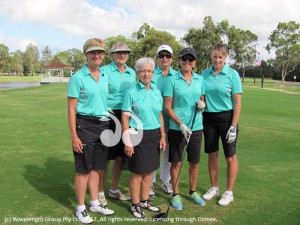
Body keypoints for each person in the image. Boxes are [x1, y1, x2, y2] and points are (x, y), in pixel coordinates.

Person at [67, 38, 114, 224]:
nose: (97, 55)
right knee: (83, 169)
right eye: (93, 52)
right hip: (85, 126)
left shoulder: (104, 76)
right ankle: (80, 208)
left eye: (100, 52)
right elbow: (71, 109)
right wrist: (74, 136)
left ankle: (94, 202)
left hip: (103, 126)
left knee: (97, 167)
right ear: (86, 55)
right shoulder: (78, 77)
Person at [121, 57, 167, 218]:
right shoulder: (131, 92)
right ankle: (135, 205)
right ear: (138, 73)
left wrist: (162, 135)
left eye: (149, 71)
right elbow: (125, 117)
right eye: (142, 71)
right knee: (137, 173)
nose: (146, 74)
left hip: (154, 135)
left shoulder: (156, 91)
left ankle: (144, 200)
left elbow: (159, 114)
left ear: (153, 73)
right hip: (137, 135)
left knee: (149, 172)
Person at [164, 47, 206, 210]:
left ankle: (193, 192)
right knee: (176, 162)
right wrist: (180, 124)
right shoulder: (172, 80)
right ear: (179, 61)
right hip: (177, 128)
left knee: (194, 162)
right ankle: (175, 194)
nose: (187, 62)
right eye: (184, 59)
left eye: (191, 59)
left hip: (196, 127)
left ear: (195, 62)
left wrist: (202, 105)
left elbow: (202, 101)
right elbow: (168, 107)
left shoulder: (200, 80)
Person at [201, 43, 242, 206]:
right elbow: (202, 95)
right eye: (214, 57)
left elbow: (237, 102)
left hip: (227, 118)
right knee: (212, 154)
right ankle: (214, 187)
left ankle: (229, 192)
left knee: (230, 156)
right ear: (211, 57)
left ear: (225, 58)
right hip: (209, 118)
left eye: (220, 57)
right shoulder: (204, 73)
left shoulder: (232, 74)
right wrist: (201, 103)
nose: (217, 60)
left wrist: (233, 126)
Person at [98, 42, 135, 206]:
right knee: (106, 156)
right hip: (108, 115)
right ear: (112, 55)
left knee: (120, 155)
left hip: (125, 115)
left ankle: (114, 189)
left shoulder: (132, 73)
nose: (122, 55)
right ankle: (99, 191)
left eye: (125, 52)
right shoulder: (104, 71)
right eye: (119, 52)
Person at [150, 44, 177, 196]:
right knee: (154, 153)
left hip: (171, 121)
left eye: (168, 55)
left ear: (172, 58)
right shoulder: (151, 74)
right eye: (161, 55)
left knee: (168, 154)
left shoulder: (177, 76)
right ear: (157, 58)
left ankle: (165, 182)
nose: (164, 58)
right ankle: (151, 183)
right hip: (154, 120)